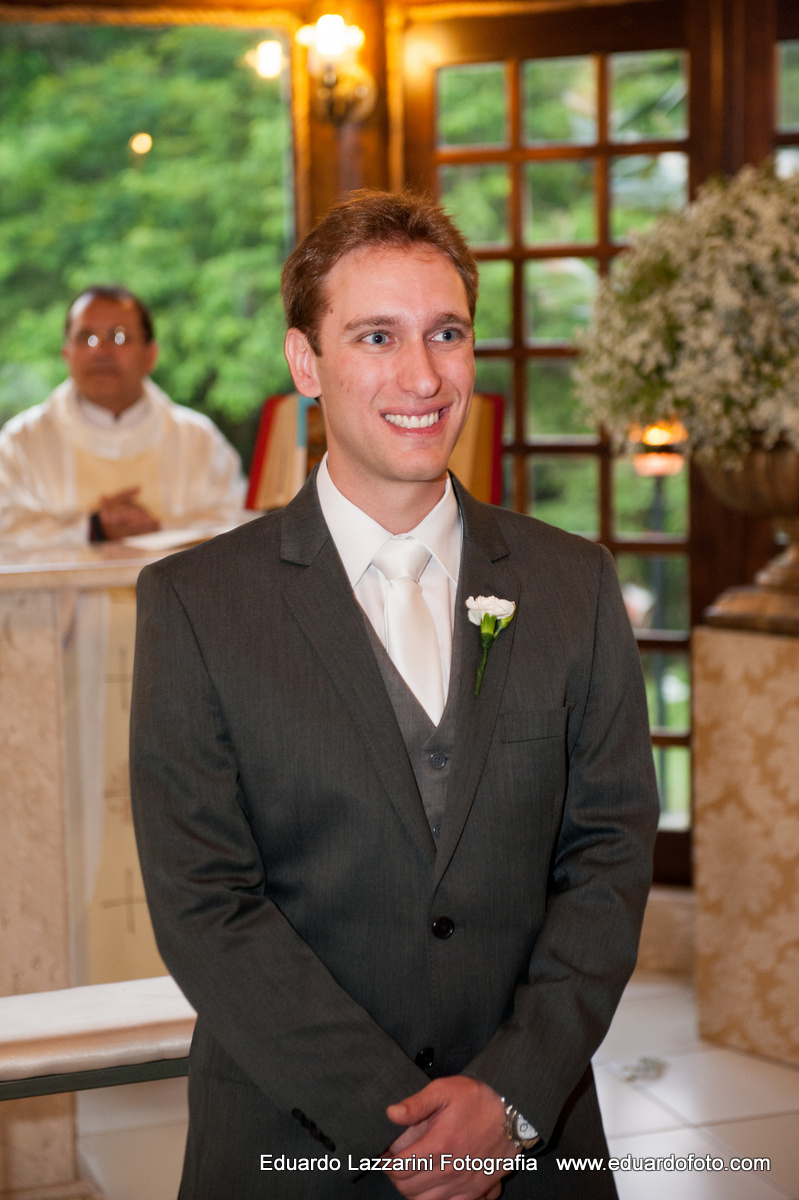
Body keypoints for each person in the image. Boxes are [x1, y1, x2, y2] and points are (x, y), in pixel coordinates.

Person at [130, 191, 659, 1199]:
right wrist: (406, 1129)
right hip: (294, 1144)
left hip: (532, 1147)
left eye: (445, 334)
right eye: (376, 336)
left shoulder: (572, 584)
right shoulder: (195, 604)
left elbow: (609, 854)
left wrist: (504, 1101)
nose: (422, 376)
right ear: (304, 363)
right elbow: (206, 902)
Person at [0, 285, 245, 546]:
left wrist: (157, 529)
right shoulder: (21, 442)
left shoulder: (198, 440)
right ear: (67, 355)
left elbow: (238, 523)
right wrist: (92, 529)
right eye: (87, 338)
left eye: (119, 337)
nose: (101, 351)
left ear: (150, 356)